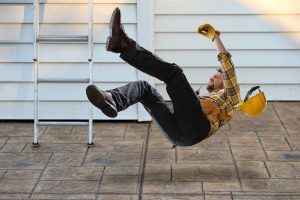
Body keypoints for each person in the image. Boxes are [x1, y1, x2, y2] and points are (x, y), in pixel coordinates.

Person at [86, 7, 241, 147]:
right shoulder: (208, 98)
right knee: (144, 89)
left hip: (197, 128)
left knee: (175, 74)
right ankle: (113, 99)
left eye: (216, 76)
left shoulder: (232, 97)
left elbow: (227, 67)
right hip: (180, 137)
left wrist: (216, 38)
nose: (211, 79)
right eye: (213, 76)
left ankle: (124, 45)